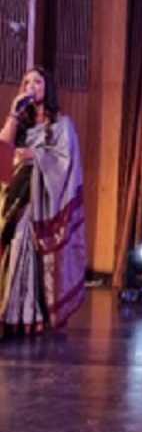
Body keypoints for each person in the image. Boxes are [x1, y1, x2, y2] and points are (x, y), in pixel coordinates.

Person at [0, 67, 86, 337]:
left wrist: (34, 156)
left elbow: (64, 163)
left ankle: (27, 314)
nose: (31, 86)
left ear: (48, 87)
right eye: (27, 82)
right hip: (15, 191)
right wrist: (14, 114)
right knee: (12, 243)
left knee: (26, 243)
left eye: (37, 81)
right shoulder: (22, 122)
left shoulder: (62, 125)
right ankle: (11, 312)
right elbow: (3, 152)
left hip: (41, 196)